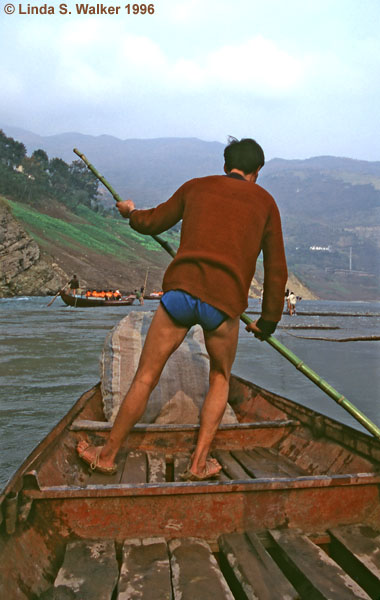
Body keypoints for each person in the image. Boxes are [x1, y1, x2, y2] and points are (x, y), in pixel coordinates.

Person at [77, 137, 288, 480]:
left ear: (225, 165)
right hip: (223, 304)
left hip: (181, 293)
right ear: (257, 172)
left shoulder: (196, 187)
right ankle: (198, 463)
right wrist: (267, 322)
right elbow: (277, 269)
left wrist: (130, 212)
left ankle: (107, 455)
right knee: (219, 377)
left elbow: (152, 222)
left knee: (145, 377)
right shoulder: (266, 203)